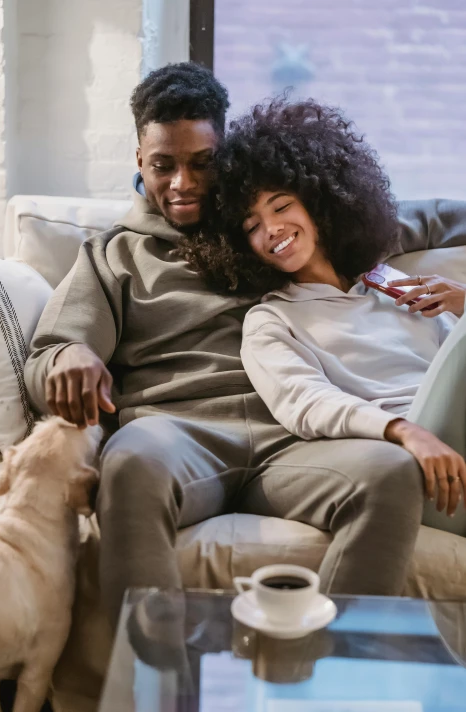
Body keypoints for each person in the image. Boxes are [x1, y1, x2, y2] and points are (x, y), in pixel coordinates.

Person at [24, 63, 466, 627]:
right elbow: (48, 355)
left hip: (295, 440)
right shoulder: (113, 255)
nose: (182, 183)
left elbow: (411, 218)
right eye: (163, 165)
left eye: (201, 163)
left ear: (223, 153)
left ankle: (329, 679)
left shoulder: (271, 225)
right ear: (140, 160)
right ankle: (154, 691)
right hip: (181, 431)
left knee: (388, 472)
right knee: (132, 461)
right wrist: (70, 357)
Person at [182, 97, 466, 537]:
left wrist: (463, 305)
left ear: (318, 200)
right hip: (421, 458)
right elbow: (308, 405)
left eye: (280, 207)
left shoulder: (391, 282)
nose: (271, 229)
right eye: (251, 225)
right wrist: (406, 432)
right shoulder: (271, 321)